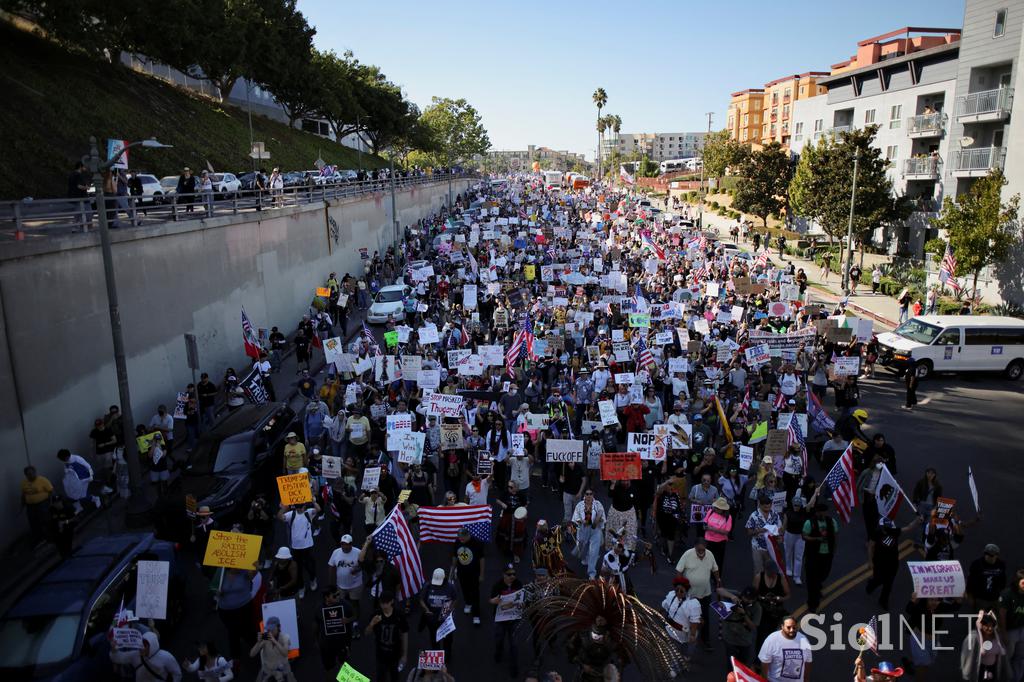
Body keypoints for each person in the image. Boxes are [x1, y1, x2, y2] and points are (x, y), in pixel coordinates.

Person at [675, 537, 720, 651]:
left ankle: (705, 639)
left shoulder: (710, 554)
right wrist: (680, 587)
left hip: (705, 593)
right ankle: (685, 638)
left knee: (705, 617)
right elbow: (679, 571)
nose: (701, 552)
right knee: (687, 617)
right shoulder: (687, 554)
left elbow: (715, 569)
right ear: (695, 547)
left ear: (705, 547)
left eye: (703, 550)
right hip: (690, 595)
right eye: (699, 550)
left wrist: (718, 580)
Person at [801, 502, 837, 613]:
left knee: (824, 573)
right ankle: (812, 603)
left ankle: (817, 586)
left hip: (827, 554)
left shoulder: (832, 521)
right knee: (812, 580)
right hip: (813, 555)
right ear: (816, 512)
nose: (822, 514)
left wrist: (833, 549)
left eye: (824, 512)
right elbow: (804, 536)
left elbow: (835, 535)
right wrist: (816, 539)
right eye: (820, 512)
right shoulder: (809, 523)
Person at [489, 564, 523, 678]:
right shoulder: (497, 585)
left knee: (514, 644)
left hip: (514, 618)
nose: (512, 576)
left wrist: (522, 603)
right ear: (503, 575)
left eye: (514, 574)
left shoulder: (518, 584)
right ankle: (498, 652)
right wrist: (494, 601)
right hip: (501, 619)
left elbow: (523, 598)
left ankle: (514, 668)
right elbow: (491, 600)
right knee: (499, 639)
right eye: (509, 574)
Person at [366, 591, 409, 682]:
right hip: (381, 653)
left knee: (395, 676)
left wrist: (404, 655)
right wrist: (372, 624)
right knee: (381, 677)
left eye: (386, 603)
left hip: (395, 653)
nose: (384, 605)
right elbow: (366, 633)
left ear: (392, 601)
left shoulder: (399, 615)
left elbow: (405, 633)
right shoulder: (376, 615)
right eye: (382, 603)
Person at [662, 576, 702, 672]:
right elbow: (664, 606)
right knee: (674, 650)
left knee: (687, 650)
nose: (678, 593)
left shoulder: (692, 604)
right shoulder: (671, 595)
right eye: (677, 590)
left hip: (685, 633)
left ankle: (682, 661)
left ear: (686, 591)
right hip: (671, 630)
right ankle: (675, 667)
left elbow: (694, 621)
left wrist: (692, 635)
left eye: (681, 591)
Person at [718, 586, 763, 668]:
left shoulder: (757, 608)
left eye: (750, 599)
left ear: (754, 599)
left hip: (744, 640)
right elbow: (719, 590)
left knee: (743, 664)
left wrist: (744, 614)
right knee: (731, 663)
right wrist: (732, 596)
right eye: (745, 597)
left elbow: (753, 626)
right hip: (730, 637)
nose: (746, 600)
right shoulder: (737, 595)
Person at [110, 631, 183, 682]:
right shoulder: (135, 655)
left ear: (151, 645)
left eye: (144, 645)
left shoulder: (165, 656)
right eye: (140, 643)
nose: (141, 647)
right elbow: (117, 658)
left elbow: (177, 674)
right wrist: (114, 649)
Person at [757, 616, 812, 682]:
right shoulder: (772, 639)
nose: (791, 630)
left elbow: (808, 662)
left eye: (794, 627)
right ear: (782, 626)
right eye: (788, 627)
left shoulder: (803, 640)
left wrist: (806, 680)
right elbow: (764, 663)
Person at [419, 568, 457, 661]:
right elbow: (421, 600)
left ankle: (447, 654)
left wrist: (450, 609)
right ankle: (437, 654)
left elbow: (455, 599)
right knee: (434, 637)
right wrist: (426, 609)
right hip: (432, 617)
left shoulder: (450, 587)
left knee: (448, 638)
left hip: (445, 617)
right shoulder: (428, 586)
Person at [451, 526, 485, 625]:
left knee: (475, 593)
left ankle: (476, 615)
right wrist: (452, 570)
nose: (460, 540)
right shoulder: (458, 542)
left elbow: (482, 559)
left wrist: (482, 574)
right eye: (459, 538)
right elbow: (455, 556)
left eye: (462, 539)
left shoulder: (477, 543)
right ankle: (468, 603)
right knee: (464, 589)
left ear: (467, 535)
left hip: (474, 573)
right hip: (462, 572)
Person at [317, 587, 355, 672]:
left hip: (342, 642)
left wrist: (348, 620)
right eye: (335, 596)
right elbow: (316, 624)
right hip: (327, 644)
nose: (338, 597)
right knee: (329, 668)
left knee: (344, 665)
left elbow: (354, 616)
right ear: (327, 598)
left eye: (338, 594)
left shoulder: (345, 604)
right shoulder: (320, 608)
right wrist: (317, 640)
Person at [571, 488, 606, 579]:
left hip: (595, 529)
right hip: (583, 528)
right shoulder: (579, 505)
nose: (589, 496)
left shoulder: (598, 504)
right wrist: (582, 521)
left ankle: (591, 573)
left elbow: (603, 518)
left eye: (591, 494)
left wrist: (598, 520)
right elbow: (575, 518)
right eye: (587, 494)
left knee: (594, 551)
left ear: (593, 495)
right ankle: (584, 557)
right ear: (584, 495)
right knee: (582, 546)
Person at [997, 568, 1024, 682]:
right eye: (1023, 583)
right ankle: (1003, 678)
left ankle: (1016, 678)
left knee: (1020, 657)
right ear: (1017, 582)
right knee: (1007, 656)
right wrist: (1003, 633)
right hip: (1010, 630)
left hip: (1022, 629)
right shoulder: (1007, 594)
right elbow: (1002, 615)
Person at [250, 616, 295, 682]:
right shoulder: (265, 639)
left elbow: (285, 653)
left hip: (282, 668)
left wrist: (274, 641)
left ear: (279, 627)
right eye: (268, 629)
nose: (270, 631)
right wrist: (258, 642)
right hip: (268, 668)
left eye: (272, 629)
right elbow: (252, 654)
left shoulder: (285, 637)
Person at [966, 544, 1007, 613]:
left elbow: (1003, 581)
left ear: (997, 555)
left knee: (996, 617)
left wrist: (1001, 595)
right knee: (980, 618)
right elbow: (970, 582)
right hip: (980, 598)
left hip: (995, 598)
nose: (990, 557)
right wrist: (970, 596)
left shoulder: (1001, 564)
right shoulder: (977, 564)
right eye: (987, 554)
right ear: (984, 554)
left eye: (992, 555)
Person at [57, 448, 99, 513]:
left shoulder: (77, 458)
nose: (62, 460)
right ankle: (78, 506)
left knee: (82, 494)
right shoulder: (66, 462)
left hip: (84, 478)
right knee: (72, 492)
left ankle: (95, 498)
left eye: (62, 459)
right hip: (75, 480)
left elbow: (88, 466)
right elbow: (66, 470)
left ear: (67, 456)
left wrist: (91, 476)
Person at [21, 465, 54, 543]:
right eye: (28, 474)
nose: (31, 475)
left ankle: (50, 536)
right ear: (26, 475)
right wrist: (22, 503)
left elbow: (51, 491)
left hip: (42, 504)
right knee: (33, 521)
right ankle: (39, 538)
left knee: (45, 520)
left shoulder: (42, 480)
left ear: (35, 472)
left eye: (32, 473)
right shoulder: (24, 483)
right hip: (30, 506)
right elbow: (23, 494)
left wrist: (51, 502)